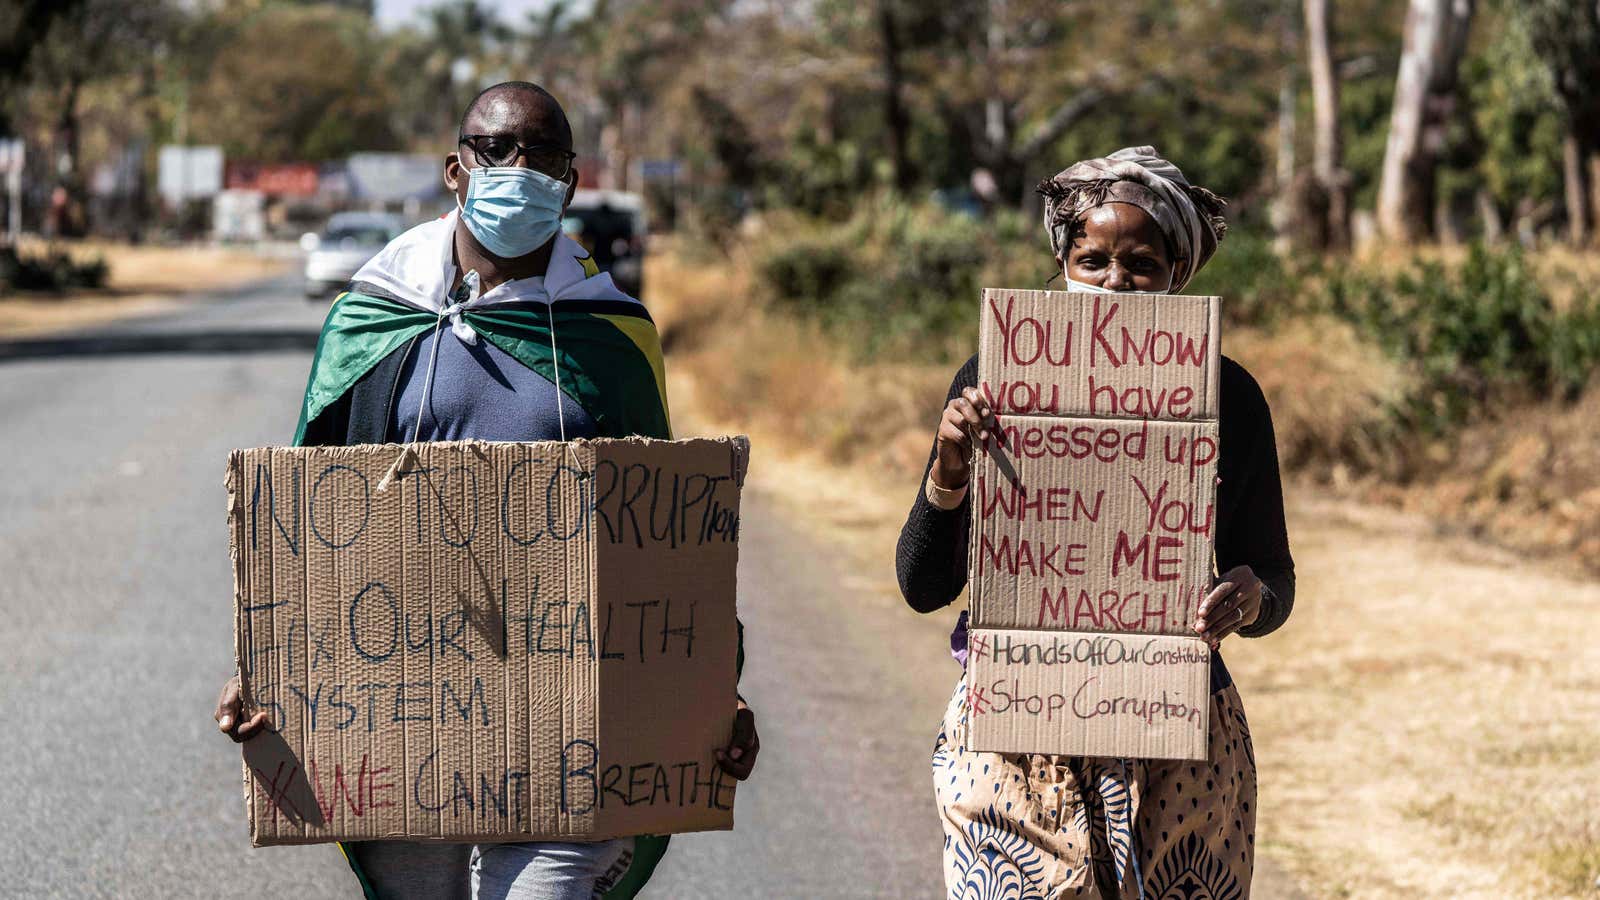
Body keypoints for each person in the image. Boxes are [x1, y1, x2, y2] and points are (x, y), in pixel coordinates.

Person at [212, 81, 759, 900]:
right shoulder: (374, 318)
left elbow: (666, 544)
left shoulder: (610, 336)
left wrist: (716, 685)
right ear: (454, 170)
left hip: (571, 725)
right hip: (404, 727)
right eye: (496, 150)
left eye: (542, 156)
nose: (518, 169)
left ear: (571, 182)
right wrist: (267, 667)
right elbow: (301, 526)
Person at [896, 146, 1294, 899]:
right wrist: (949, 470)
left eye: (1141, 265)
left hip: (1179, 741)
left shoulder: (1229, 397)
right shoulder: (996, 379)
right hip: (1018, 738)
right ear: (1062, 261)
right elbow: (922, 586)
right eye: (1092, 259)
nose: (1114, 283)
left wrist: (1251, 598)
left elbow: (1275, 575)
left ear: (1177, 273)